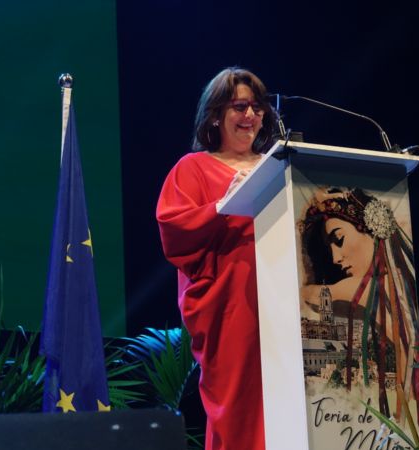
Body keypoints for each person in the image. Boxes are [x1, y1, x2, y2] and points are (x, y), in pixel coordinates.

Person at [156, 67, 277, 450]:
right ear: (215, 115)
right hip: (233, 308)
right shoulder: (192, 168)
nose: (251, 116)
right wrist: (224, 205)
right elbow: (174, 226)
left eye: (257, 107)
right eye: (240, 106)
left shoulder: (279, 164)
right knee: (241, 408)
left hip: (288, 300)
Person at [299, 187, 419, 424]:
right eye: (330, 248)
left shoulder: (370, 286)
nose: (336, 258)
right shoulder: (399, 279)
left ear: (370, 230)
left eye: (340, 239)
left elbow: (308, 293)